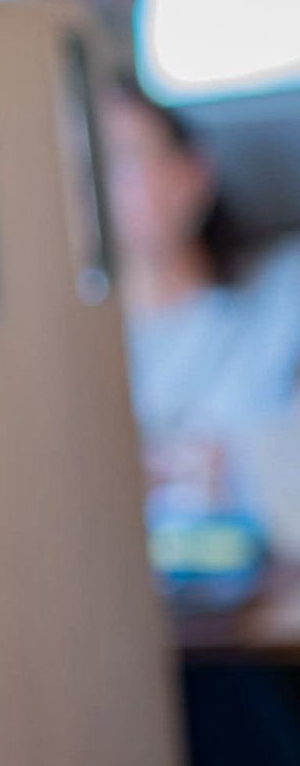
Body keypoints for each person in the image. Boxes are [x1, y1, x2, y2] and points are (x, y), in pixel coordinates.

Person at [102, 75, 300, 535]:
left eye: (122, 160)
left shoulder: (283, 296)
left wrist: (240, 470)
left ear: (192, 176)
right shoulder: (68, 362)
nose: (95, 190)